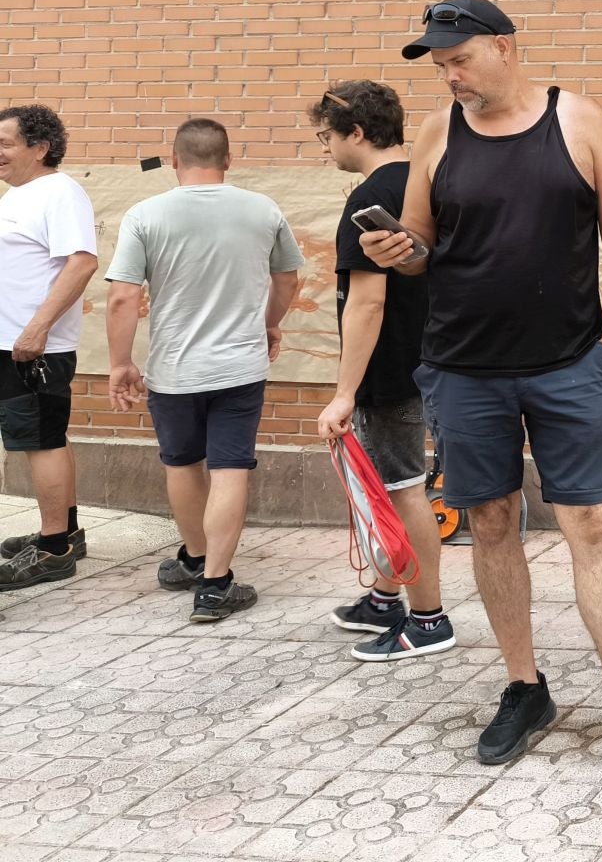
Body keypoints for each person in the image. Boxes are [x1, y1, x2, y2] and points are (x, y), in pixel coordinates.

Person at [360, 0, 602, 792]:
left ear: (505, 47)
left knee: (594, 525)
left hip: (570, 365)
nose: (450, 75)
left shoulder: (577, 120)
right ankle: (524, 688)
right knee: (494, 521)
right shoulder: (439, 132)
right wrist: (393, 250)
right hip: (464, 368)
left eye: (460, 58)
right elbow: (422, 251)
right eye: (439, 65)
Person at [105, 118, 305, 622]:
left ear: (174, 161)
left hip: (173, 369)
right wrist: (270, 324)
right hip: (240, 364)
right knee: (230, 467)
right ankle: (216, 585)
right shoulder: (262, 209)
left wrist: (120, 363)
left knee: (181, 462)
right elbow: (287, 279)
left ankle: (194, 558)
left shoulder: (145, 214)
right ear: (228, 160)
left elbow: (123, 296)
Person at [309, 81, 454, 660]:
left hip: (392, 368)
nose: (324, 148)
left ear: (358, 133)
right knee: (400, 485)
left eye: (325, 136)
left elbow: (366, 302)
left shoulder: (367, 198)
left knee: (400, 489)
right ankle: (387, 597)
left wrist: (344, 393)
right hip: (437, 358)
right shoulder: (427, 181)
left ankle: (428, 619)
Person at [0, 105, 98, 590]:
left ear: (39, 148)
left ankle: (55, 550)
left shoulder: (58, 192)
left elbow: (81, 263)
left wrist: (37, 329)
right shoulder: (20, 196)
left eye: (6, 143)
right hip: (14, 341)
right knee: (47, 436)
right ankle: (66, 531)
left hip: (31, 347)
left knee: (39, 440)